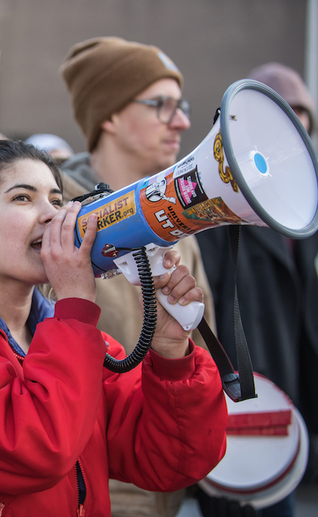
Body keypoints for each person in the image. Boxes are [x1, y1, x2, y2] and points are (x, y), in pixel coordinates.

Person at [0, 139, 228, 516]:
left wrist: (171, 354)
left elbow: (172, 460)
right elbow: (40, 450)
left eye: (57, 201)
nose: (52, 216)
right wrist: (75, 305)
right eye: (23, 198)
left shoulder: (78, 342)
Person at [57, 36, 217, 516]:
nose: (183, 122)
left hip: (160, 488)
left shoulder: (178, 226)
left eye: (181, 105)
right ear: (108, 116)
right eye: (161, 105)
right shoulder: (57, 219)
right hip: (88, 491)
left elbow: (195, 357)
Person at [196, 62, 318, 516]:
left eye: (303, 116)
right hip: (238, 406)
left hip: (284, 396)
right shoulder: (217, 203)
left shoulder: (303, 205)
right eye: (286, 113)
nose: (296, 126)